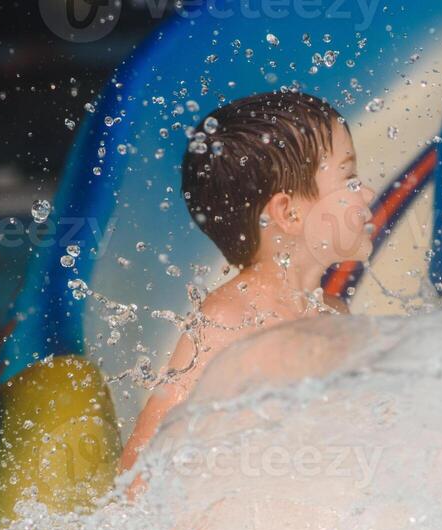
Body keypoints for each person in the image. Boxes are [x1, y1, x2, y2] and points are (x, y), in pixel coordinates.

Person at [118, 90, 376, 472]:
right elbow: (149, 455)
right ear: (288, 213)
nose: (368, 192)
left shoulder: (332, 312)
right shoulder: (230, 319)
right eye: (349, 179)